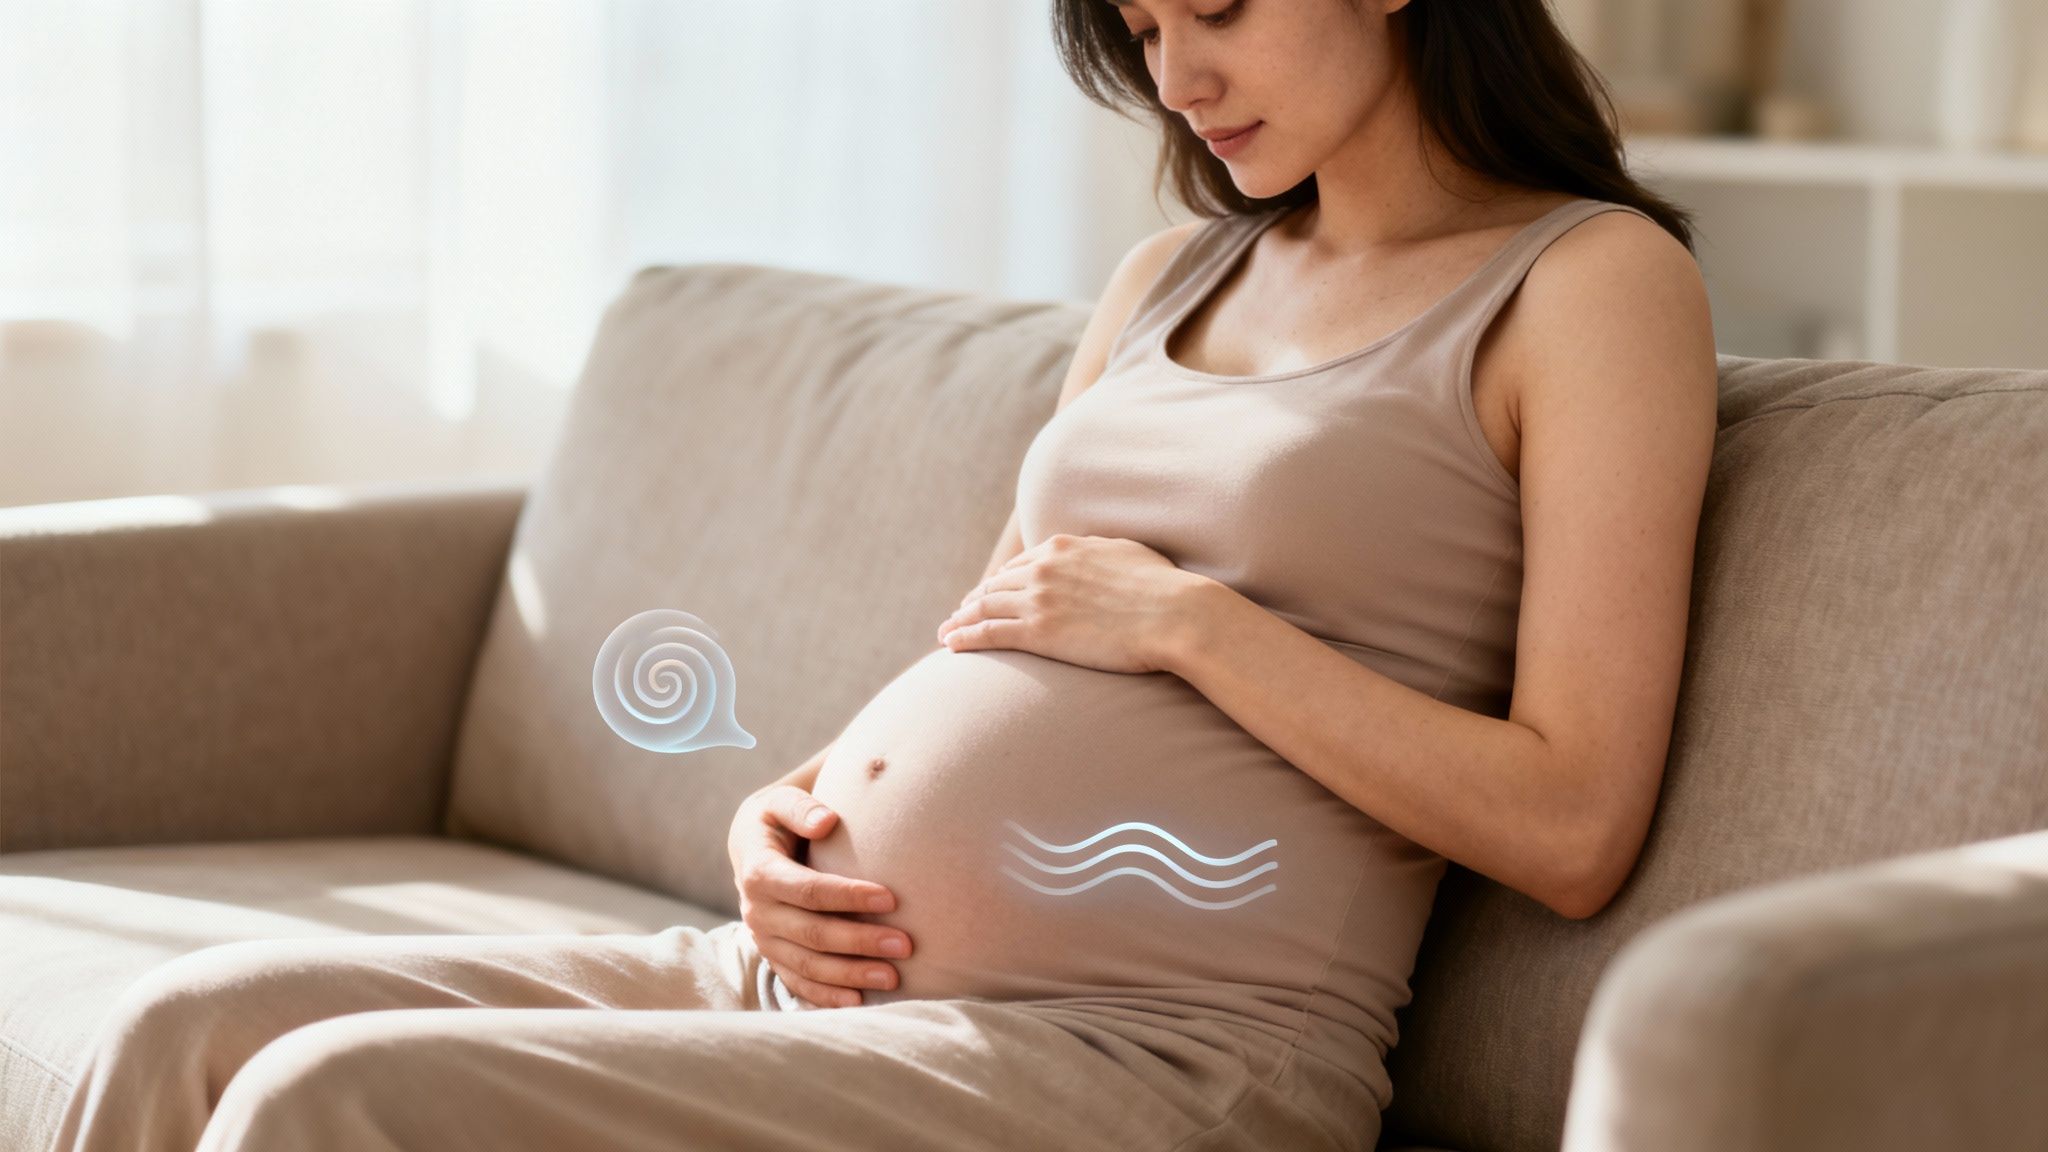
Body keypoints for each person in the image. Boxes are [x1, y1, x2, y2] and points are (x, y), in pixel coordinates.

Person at [50, 2, 1717, 1150]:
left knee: (333, 1101)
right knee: (185, 1024)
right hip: (803, 971)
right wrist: (779, 815)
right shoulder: (1168, 276)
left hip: (1158, 1051)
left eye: (1211, 9)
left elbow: (1572, 827)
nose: (1177, 75)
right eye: (1141, 35)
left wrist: (1195, 626)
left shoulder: (1583, 285)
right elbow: (990, 637)